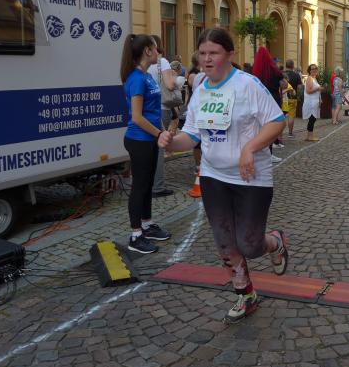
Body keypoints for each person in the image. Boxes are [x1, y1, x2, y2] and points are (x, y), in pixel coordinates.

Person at [159, 29, 287, 323]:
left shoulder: (247, 85)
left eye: (213, 53)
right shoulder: (201, 88)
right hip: (213, 176)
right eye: (202, 53)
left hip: (250, 177)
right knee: (225, 242)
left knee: (250, 245)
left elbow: (276, 121)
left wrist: (250, 148)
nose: (206, 59)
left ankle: (275, 241)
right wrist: (170, 143)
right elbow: (192, 135)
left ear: (229, 54)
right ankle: (245, 294)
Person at [120, 34, 172, 254]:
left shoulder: (147, 76)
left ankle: (147, 225)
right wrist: (159, 133)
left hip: (150, 138)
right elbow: (137, 117)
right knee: (139, 187)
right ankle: (135, 236)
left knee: (147, 185)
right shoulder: (136, 79)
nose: (158, 51)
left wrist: (163, 132)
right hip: (139, 140)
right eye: (155, 48)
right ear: (147, 51)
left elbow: (152, 111)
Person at [147, 35, 177, 198]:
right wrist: (175, 78)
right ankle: (157, 186)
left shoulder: (141, 63)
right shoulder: (162, 62)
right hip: (162, 107)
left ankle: (147, 182)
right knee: (159, 147)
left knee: (148, 146)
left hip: (146, 109)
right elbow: (170, 85)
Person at [252, 47, 285, 164]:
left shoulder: (255, 70)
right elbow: (284, 84)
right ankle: (269, 153)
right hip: (273, 99)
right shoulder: (274, 70)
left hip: (259, 99)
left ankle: (259, 151)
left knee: (260, 126)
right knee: (271, 126)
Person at [303, 64, 321, 141]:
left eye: (315, 68)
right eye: (312, 69)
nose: (314, 70)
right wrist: (318, 89)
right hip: (311, 102)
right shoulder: (310, 78)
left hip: (314, 101)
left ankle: (308, 136)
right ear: (309, 71)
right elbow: (308, 91)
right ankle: (310, 136)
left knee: (312, 119)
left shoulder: (314, 78)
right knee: (312, 119)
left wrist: (320, 99)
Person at [283, 59, 302, 137]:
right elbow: (299, 87)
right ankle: (290, 133)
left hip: (282, 98)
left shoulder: (281, 74)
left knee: (281, 116)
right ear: (293, 66)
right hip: (292, 97)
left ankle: (279, 134)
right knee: (291, 115)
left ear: (286, 65)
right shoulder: (296, 75)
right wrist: (299, 96)